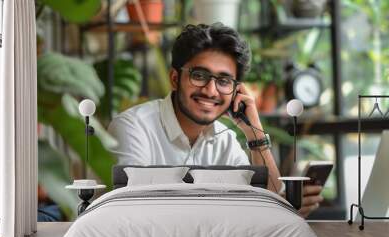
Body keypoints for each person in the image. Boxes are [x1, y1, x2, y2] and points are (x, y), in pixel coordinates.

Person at [108, 23, 323, 218]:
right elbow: (132, 211)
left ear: (236, 90)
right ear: (175, 79)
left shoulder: (225, 141)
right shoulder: (132, 128)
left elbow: (270, 207)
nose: (211, 91)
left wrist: (254, 132)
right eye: (199, 76)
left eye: (224, 80)